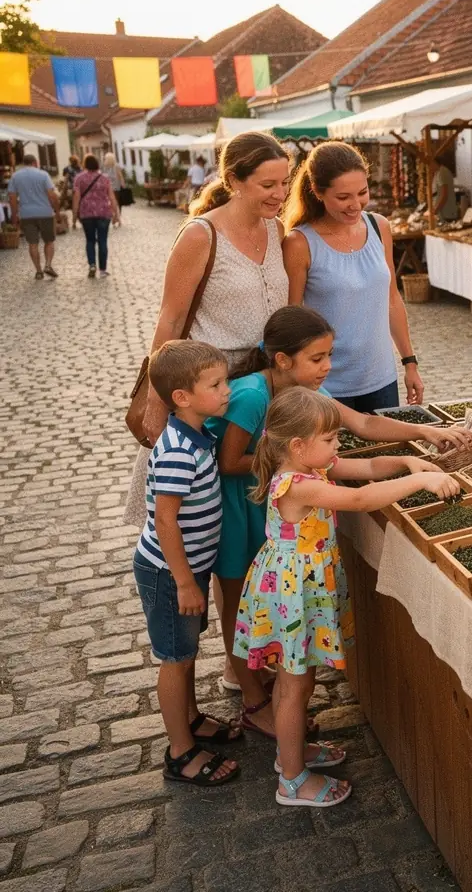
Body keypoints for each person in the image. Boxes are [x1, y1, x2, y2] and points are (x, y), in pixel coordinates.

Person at [207, 304, 469, 738]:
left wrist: (422, 434)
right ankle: (254, 698)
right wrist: (295, 472)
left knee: (284, 640)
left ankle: (275, 683)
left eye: (330, 355)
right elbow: (230, 460)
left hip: (283, 504)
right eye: (317, 358)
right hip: (243, 502)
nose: (328, 367)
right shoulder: (255, 396)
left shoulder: (307, 403)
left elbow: (364, 424)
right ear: (283, 360)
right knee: (240, 597)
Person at [235, 386, 461, 806]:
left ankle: (293, 751)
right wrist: (420, 480)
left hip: (301, 587)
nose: (338, 446)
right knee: (293, 683)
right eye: (330, 440)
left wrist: (407, 460)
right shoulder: (296, 485)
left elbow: (371, 466)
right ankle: (292, 780)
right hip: (294, 593)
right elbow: (357, 498)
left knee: (300, 681)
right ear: (299, 446)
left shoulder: (313, 467)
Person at [127, 131, 293, 693]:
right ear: (236, 179)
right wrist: (157, 403)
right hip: (210, 396)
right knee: (226, 543)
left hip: (261, 393)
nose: (279, 193)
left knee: (258, 529)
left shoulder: (277, 231)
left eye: (285, 182)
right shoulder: (201, 235)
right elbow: (170, 324)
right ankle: (234, 662)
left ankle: (253, 649)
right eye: (268, 184)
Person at [133, 339, 242, 787]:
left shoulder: (199, 432)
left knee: (189, 648)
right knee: (176, 657)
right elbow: (165, 519)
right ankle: (181, 752)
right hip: (169, 572)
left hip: (187, 569)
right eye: (216, 384)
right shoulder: (178, 449)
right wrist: (184, 581)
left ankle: (192, 719)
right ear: (182, 398)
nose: (227, 390)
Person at [282, 141, 426, 410]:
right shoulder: (300, 243)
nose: (355, 204)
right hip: (327, 385)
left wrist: (410, 363)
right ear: (317, 192)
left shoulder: (379, 226)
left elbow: (392, 299)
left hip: (381, 379)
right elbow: (292, 317)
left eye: (362, 193)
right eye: (343, 197)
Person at [8, 154, 60, 279]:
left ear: (24, 163)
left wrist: (14, 216)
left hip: (26, 214)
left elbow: (12, 198)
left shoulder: (15, 176)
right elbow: (52, 195)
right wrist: (57, 211)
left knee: (33, 243)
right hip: (45, 213)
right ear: (35, 162)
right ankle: (47, 265)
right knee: (49, 241)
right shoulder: (43, 175)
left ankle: (38, 271)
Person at [73, 154, 120, 278]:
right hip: (104, 213)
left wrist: (74, 216)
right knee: (103, 241)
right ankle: (103, 270)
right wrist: (116, 214)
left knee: (90, 240)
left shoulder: (79, 178)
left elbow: (76, 198)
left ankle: (92, 264)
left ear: (85, 164)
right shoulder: (104, 178)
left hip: (86, 213)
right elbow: (111, 197)